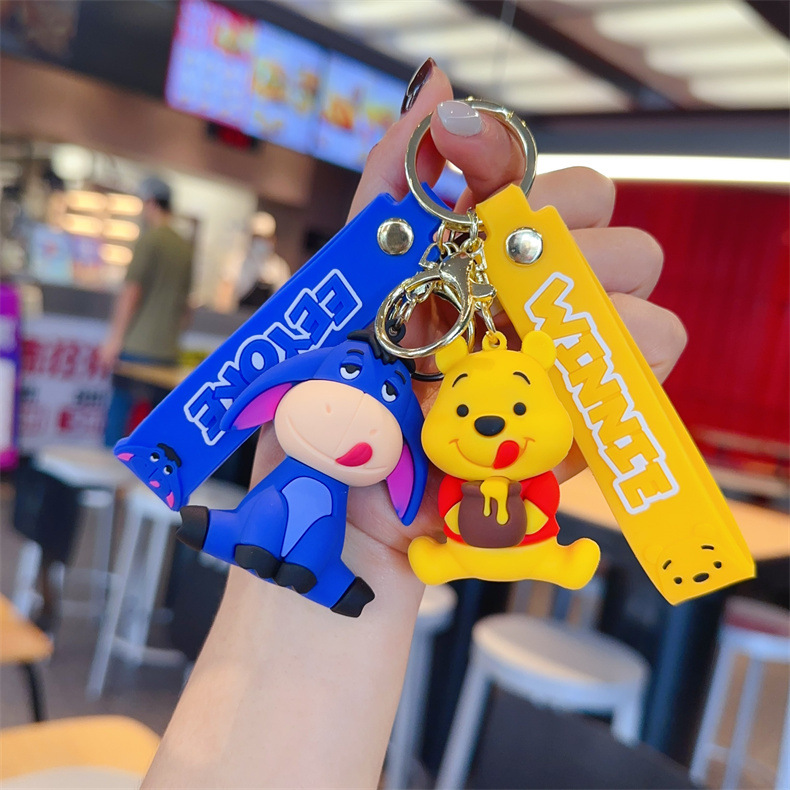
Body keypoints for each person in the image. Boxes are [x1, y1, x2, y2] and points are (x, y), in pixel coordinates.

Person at [142, 61, 686, 788]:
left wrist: (389, 539)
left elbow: (403, 476)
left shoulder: (429, 441)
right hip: (349, 535)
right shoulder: (359, 366)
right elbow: (271, 395)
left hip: (440, 538)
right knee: (274, 523)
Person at [101, 176, 193, 445]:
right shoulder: (184, 247)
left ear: (151, 203)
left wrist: (114, 340)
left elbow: (131, 292)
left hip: (136, 347)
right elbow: (186, 307)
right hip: (167, 352)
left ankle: (109, 470)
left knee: (118, 420)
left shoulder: (149, 240)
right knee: (156, 428)